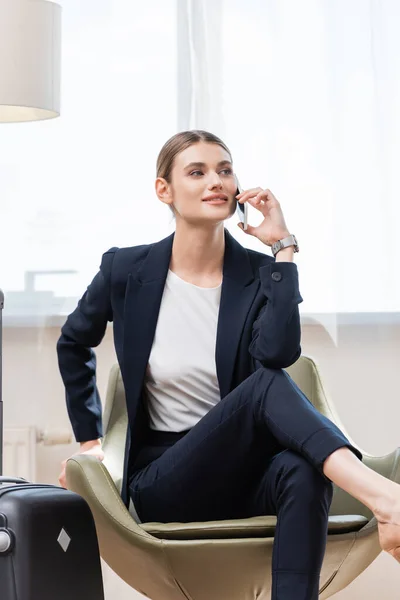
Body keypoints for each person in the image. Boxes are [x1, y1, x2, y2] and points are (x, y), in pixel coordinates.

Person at [57, 130, 400, 600]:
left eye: (224, 170)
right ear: (165, 191)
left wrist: (283, 248)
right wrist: (91, 440)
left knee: (303, 468)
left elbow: (278, 353)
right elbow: (73, 342)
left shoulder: (260, 274)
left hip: (243, 475)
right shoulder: (126, 270)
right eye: (197, 172)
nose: (216, 181)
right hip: (165, 480)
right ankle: (385, 498)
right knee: (266, 387)